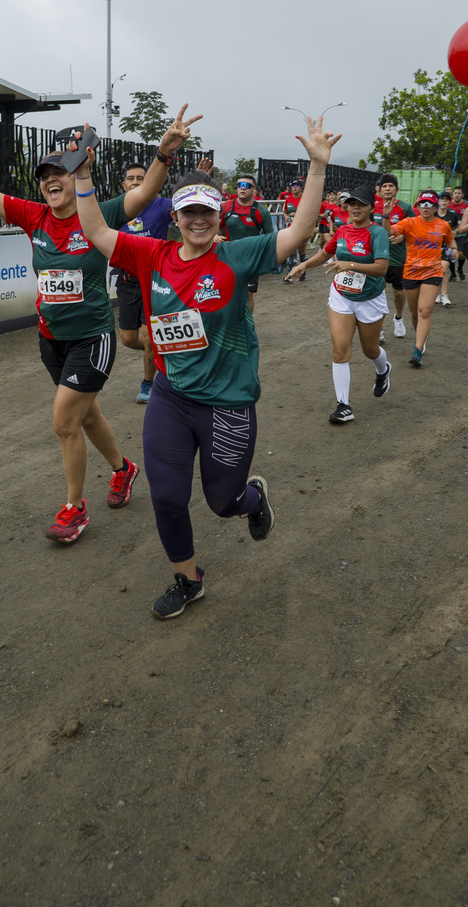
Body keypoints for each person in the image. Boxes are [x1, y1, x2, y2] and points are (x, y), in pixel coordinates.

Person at [72, 111, 340, 618]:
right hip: (171, 398)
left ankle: (252, 499)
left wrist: (318, 167)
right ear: (175, 217)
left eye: (207, 213)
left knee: (222, 503)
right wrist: (82, 174)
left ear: (220, 218)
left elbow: (301, 229)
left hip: (227, 403)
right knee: (168, 497)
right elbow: (95, 229)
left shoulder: (237, 257)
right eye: (188, 212)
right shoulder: (151, 256)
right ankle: (188, 579)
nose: (198, 220)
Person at [0, 107, 201, 544]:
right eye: (44, 176)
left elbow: (144, 195)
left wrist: (163, 153)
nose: (49, 180)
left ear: (75, 176)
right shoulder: (34, 216)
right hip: (50, 339)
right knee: (86, 415)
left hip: (92, 338)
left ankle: (74, 509)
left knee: (64, 421)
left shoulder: (98, 214)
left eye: (58, 172)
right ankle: (123, 469)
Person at [289, 187, 391, 424]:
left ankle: (383, 369)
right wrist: (304, 265)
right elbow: (325, 254)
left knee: (370, 350)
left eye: (361, 204)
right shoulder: (343, 230)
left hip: (369, 298)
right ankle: (343, 405)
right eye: (352, 203)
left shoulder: (377, 233)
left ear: (370, 208)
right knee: (340, 351)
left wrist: (351, 265)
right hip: (341, 296)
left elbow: (382, 268)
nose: (355, 208)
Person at [112, 162, 173, 404]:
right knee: (128, 339)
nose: (136, 182)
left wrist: (198, 183)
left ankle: (148, 384)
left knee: (149, 338)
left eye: (141, 178)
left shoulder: (162, 205)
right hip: (126, 282)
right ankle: (165, 351)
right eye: (131, 178)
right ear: (124, 184)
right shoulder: (116, 211)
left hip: (154, 282)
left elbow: (190, 209)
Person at [383, 189, 459, 367]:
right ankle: (421, 336)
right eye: (422, 204)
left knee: (424, 310)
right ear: (417, 206)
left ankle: (417, 350)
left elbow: (450, 240)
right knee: (414, 313)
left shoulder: (443, 225)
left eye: (430, 204)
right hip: (411, 272)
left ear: (435, 207)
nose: (426, 207)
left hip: (432, 272)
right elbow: (389, 231)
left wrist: (454, 250)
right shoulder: (409, 222)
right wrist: (386, 216)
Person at [218, 174, 274, 311]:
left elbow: (270, 238)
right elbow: (216, 229)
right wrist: (214, 237)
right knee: (225, 294)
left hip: (251, 260)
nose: (243, 188)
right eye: (240, 185)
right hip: (227, 258)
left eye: (247, 186)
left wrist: (266, 260)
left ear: (254, 189)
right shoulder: (225, 206)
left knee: (247, 295)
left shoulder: (262, 211)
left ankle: (247, 323)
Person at [372, 173, 413, 338]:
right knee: (377, 292)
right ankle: (378, 327)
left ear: (397, 189)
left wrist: (403, 237)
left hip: (397, 257)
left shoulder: (405, 208)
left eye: (391, 186)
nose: (387, 189)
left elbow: (416, 229)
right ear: (380, 190)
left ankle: (398, 318)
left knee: (398, 292)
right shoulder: (372, 207)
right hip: (377, 257)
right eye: (384, 186)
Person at [435, 192, 460, 307]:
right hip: (433, 247)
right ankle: (436, 294)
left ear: (449, 202)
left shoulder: (452, 215)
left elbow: (456, 227)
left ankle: (444, 295)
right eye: (442, 199)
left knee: (444, 269)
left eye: (446, 200)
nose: (444, 202)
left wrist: (455, 232)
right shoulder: (433, 214)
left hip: (446, 247)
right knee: (436, 271)